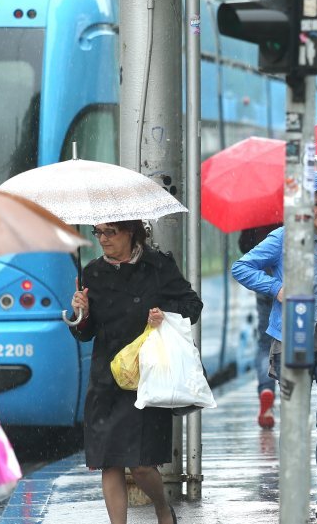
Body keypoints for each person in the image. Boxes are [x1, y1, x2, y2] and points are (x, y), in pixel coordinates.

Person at [232, 172, 317, 524]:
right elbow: (241, 266)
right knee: (295, 422)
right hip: (295, 341)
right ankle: (294, 495)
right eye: (315, 202)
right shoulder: (284, 239)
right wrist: (277, 288)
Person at [70, 220, 202, 524]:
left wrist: (164, 315)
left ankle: (160, 506)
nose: (102, 239)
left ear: (130, 231)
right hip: (106, 377)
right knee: (109, 462)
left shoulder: (158, 265)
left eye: (110, 232)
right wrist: (82, 312)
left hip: (146, 375)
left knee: (141, 465)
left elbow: (192, 305)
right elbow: (85, 333)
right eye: (97, 232)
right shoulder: (92, 272)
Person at [238, 223, 283, 429]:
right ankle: (291, 391)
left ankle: (266, 388)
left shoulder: (256, 215)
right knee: (289, 339)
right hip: (286, 283)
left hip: (263, 282)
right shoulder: (294, 211)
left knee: (265, 343)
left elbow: (243, 245)